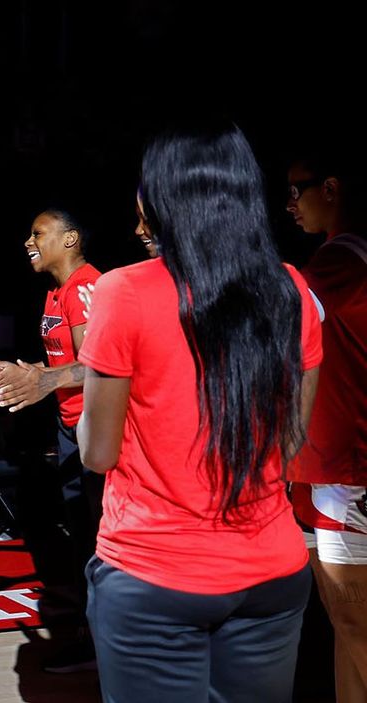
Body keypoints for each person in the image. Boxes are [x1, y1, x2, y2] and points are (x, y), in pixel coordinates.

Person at [78, 122, 322, 702]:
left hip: (154, 574)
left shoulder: (124, 291)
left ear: (163, 197)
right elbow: (290, 442)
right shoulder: (290, 289)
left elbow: (97, 453)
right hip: (271, 572)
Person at [0, 208, 103, 672]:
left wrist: (45, 381)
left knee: (99, 539)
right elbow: (65, 364)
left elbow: (99, 365)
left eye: (39, 233)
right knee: (82, 536)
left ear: (70, 238)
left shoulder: (84, 287)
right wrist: (30, 373)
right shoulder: (55, 292)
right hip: (69, 427)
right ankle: (90, 636)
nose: (28, 241)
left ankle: (104, 643)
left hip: (96, 428)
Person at [286, 144, 367, 702]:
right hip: (318, 471)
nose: (290, 205)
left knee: (356, 627)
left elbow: (284, 312)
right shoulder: (333, 259)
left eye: (297, 191)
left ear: (331, 189)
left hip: (345, 473)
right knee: (345, 627)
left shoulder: (347, 257)